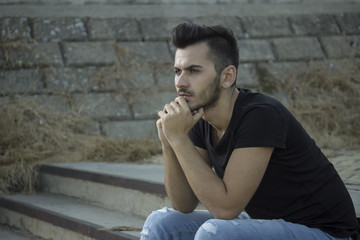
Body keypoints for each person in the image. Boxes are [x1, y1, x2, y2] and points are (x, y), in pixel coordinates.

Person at [140, 23, 359, 240]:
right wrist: (169, 142)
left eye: (193, 71)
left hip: (323, 232)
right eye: (177, 71)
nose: (180, 82)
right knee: (161, 223)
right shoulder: (200, 117)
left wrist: (179, 139)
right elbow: (183, 203)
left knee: (215, 234)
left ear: (227, 77)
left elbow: (225, 210)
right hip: (267, 224)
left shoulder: (261, 115)